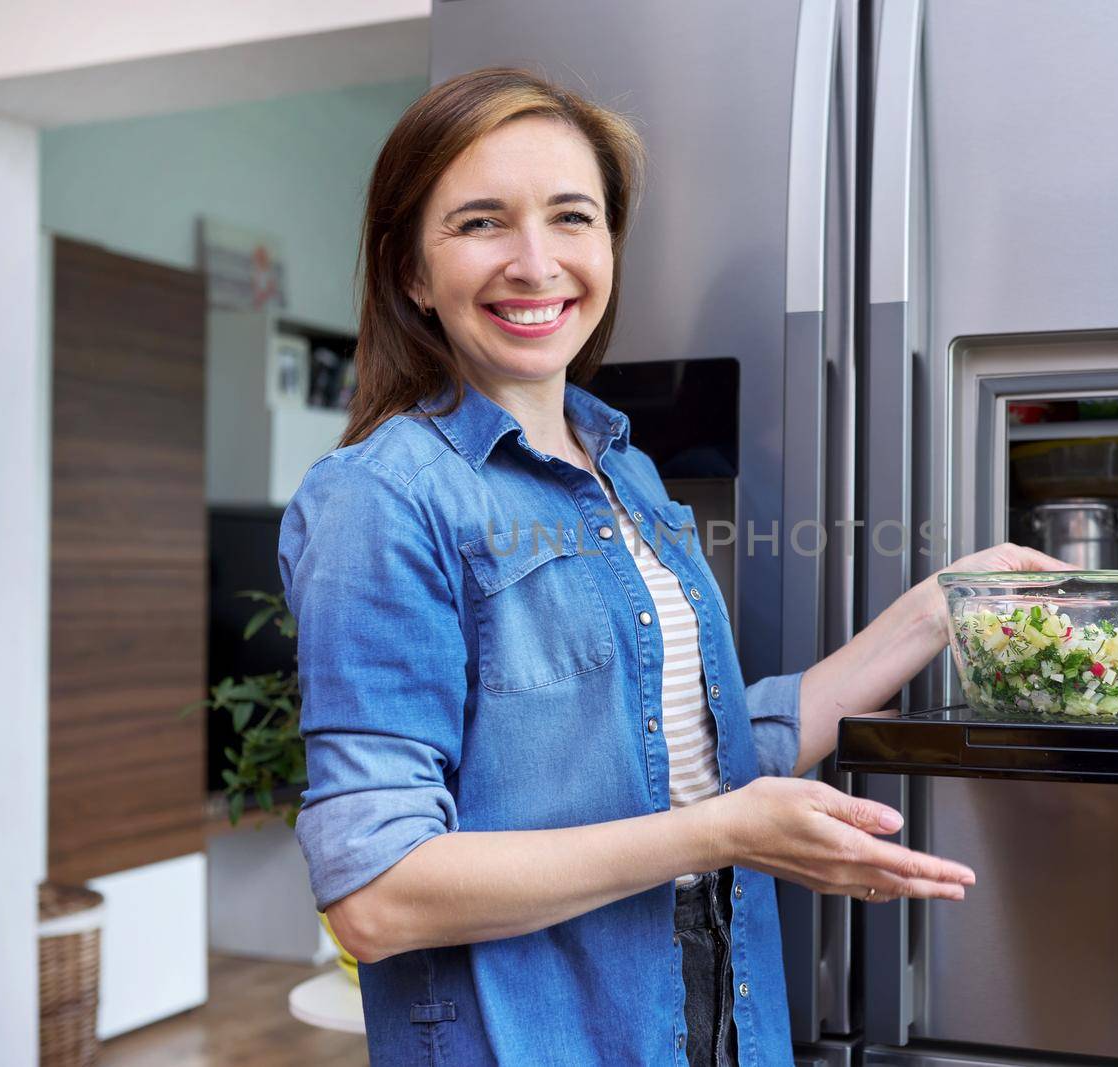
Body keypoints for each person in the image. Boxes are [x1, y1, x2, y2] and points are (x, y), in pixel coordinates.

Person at [279, 68, 1063, 1067]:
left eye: (572, 217)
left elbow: (717, 755)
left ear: (607, 246)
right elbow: (377, 897)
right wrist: (722, 832)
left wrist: (937, 609)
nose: (536, 260)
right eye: (481, 222)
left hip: (720, 1003)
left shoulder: (628, 473)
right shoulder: (380, 498)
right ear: (410, 272)